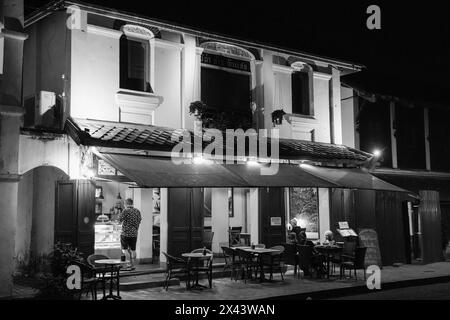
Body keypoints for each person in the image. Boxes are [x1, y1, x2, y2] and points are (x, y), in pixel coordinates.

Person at [118, 198, 142, 271]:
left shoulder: (125, 211)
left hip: (125, 233)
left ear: (126, 204)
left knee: (125, 250)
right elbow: (139, 220)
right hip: (134, 234)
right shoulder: (137, 211)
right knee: (133, 250)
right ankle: (133, 265)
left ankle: (128, 264)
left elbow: (119, 220)